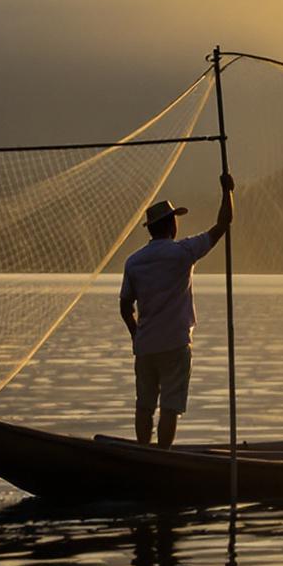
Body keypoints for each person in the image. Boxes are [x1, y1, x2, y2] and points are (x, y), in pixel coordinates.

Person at [118, 173, 234, 445]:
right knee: (170, 405)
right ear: (171, 225)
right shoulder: (183, 252)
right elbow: (223, 224)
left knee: (144, 403)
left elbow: (125, 306)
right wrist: (227, 191)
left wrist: (136, 334)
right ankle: (162, 455)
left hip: (146, 345)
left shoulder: (134, 262)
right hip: (175, 344)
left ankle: (143, 452)